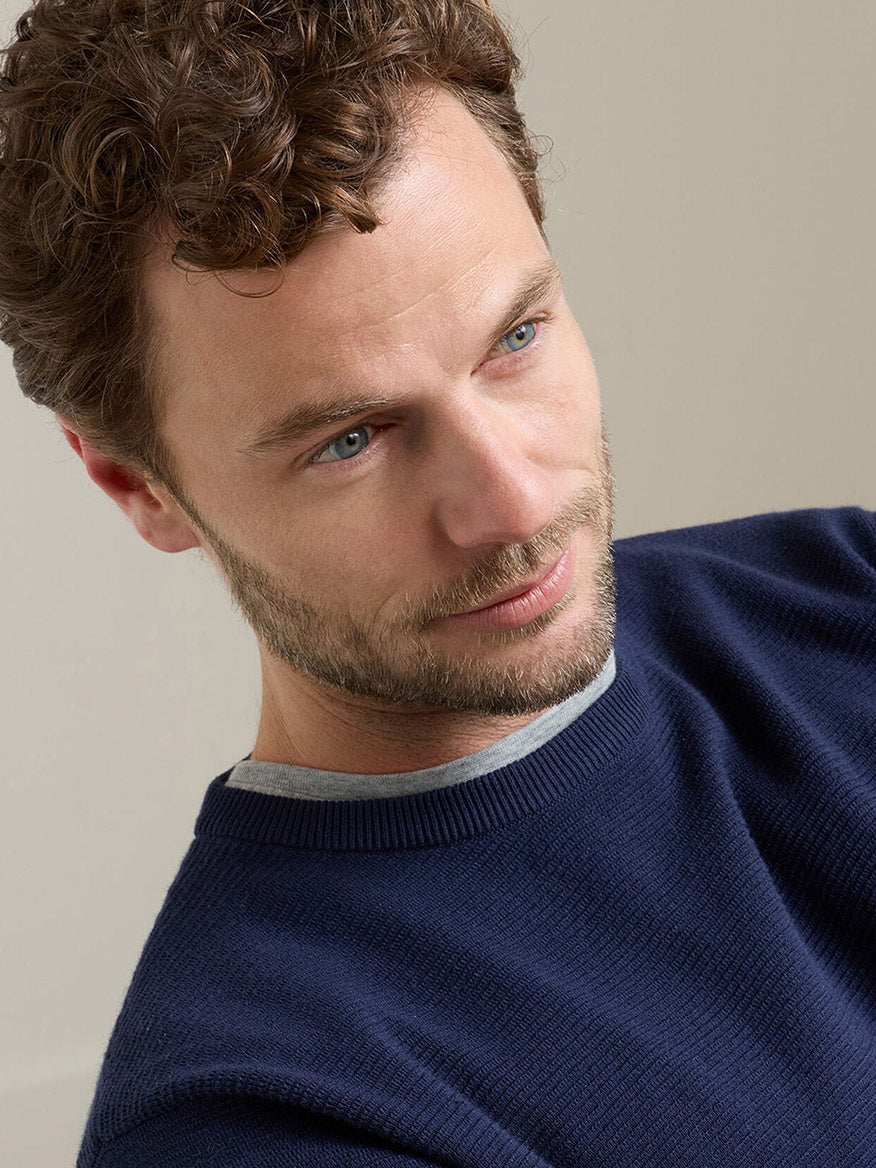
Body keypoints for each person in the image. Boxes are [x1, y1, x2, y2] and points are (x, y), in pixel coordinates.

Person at [1, 1, 874, 1164]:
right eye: (351, 439)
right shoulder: (263, 1115)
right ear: (135, 483)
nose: (511, 506)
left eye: (514, 340)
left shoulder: (843, 589)